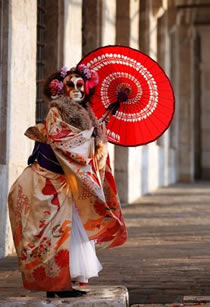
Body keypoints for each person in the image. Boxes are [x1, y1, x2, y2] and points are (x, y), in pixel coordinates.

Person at [8, 64, 128, 298]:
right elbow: (61, 141)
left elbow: (91, 154)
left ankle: (66, 282)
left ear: (87, 88)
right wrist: (88, 138)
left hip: (69, 185)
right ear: (61, 88)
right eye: (70, 84)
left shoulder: (87, 114)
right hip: (49, 182)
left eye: (80, 84)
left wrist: (99, 138)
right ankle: (56, 285)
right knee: (53, 232)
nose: (75, 88)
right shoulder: (56, 112)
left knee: (73, 231)